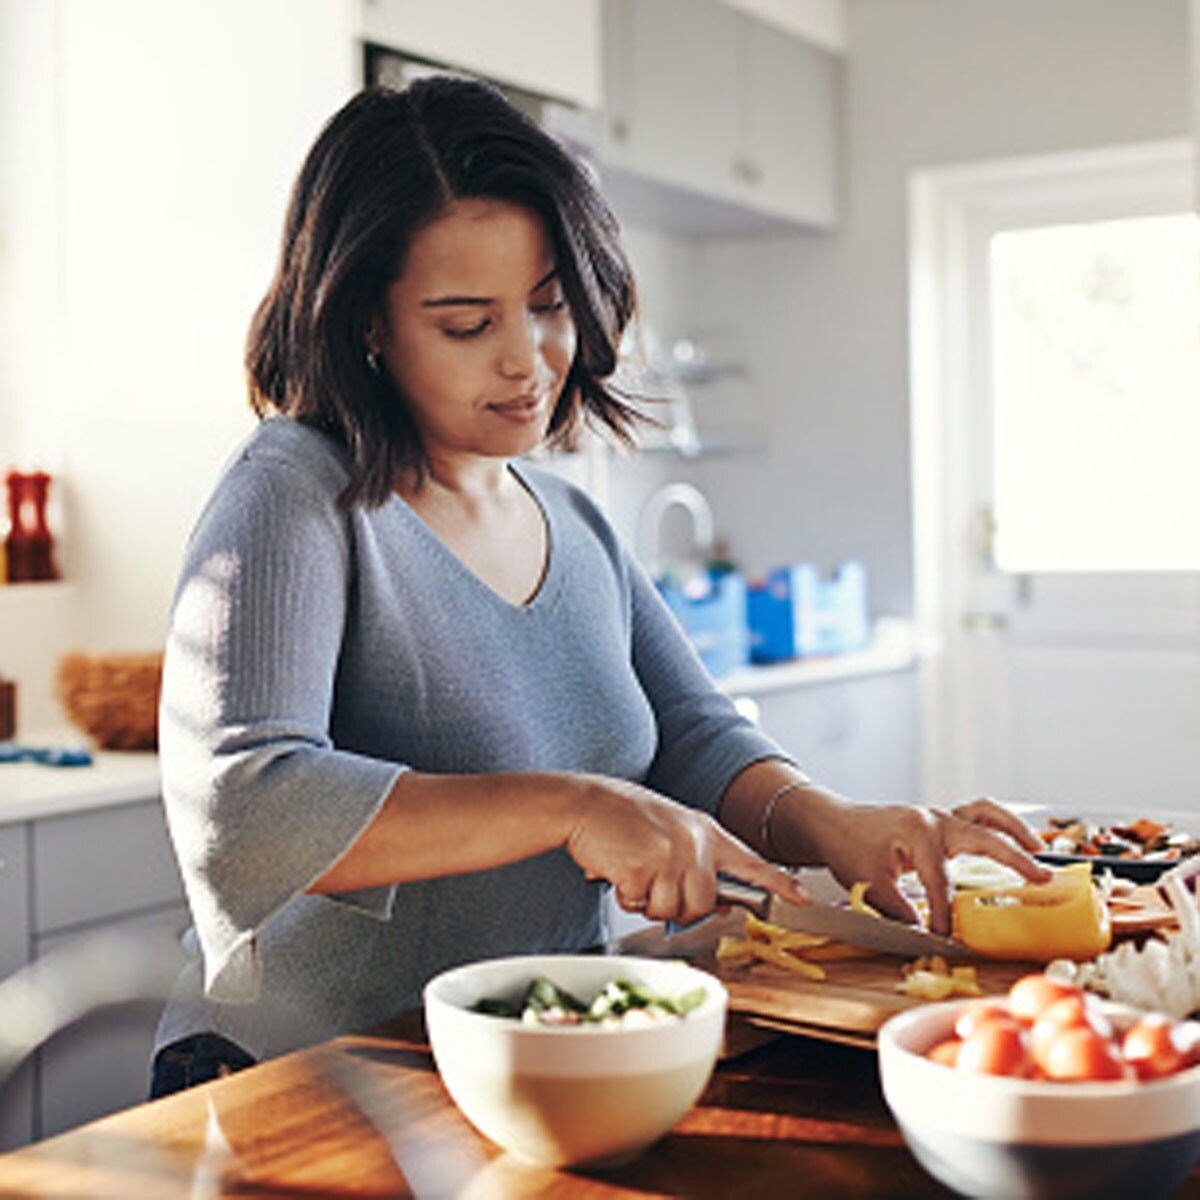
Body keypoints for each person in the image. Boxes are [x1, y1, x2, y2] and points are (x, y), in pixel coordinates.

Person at [150, 77, 1050, 1097]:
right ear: (366, 322)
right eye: (466, 324)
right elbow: (243, 804)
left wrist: (832, 824)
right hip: (304, 1075)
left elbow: (694, 737)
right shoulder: (293, 491)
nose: (528, 360)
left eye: (548, 306)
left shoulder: (569, 517)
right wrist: (571, 806)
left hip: (520, 1060)